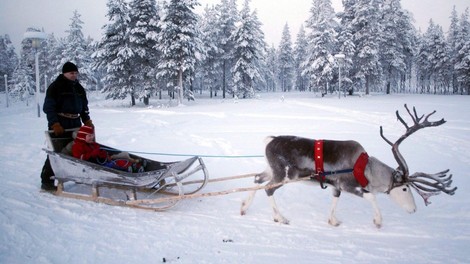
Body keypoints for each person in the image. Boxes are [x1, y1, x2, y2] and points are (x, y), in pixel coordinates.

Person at [40, 61, 93, 191]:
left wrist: (87, 121)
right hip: (60, 122)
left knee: (77, 148)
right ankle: (47, 180)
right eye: (71, 73)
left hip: (75, 123)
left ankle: (74, 174)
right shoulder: (55, 87)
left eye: (75, 73)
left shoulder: (79, 88)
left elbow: (84, 108)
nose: (74, 75)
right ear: (64, 73)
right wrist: (55, 123)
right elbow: (48, 108)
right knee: (57, 152)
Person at [71, 125, 144, 173]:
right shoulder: (77, 146)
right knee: (114, 165)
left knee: (118, 159)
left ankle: (135, 165)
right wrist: (92, 154)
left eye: (92, 135)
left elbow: (99, 151)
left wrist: (102, 153)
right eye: (89, 136)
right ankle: (127, 170)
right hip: (94, 166)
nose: (92, 137)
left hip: (102, 161)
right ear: (83, 136)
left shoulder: (92, 144)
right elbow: (79, 159)